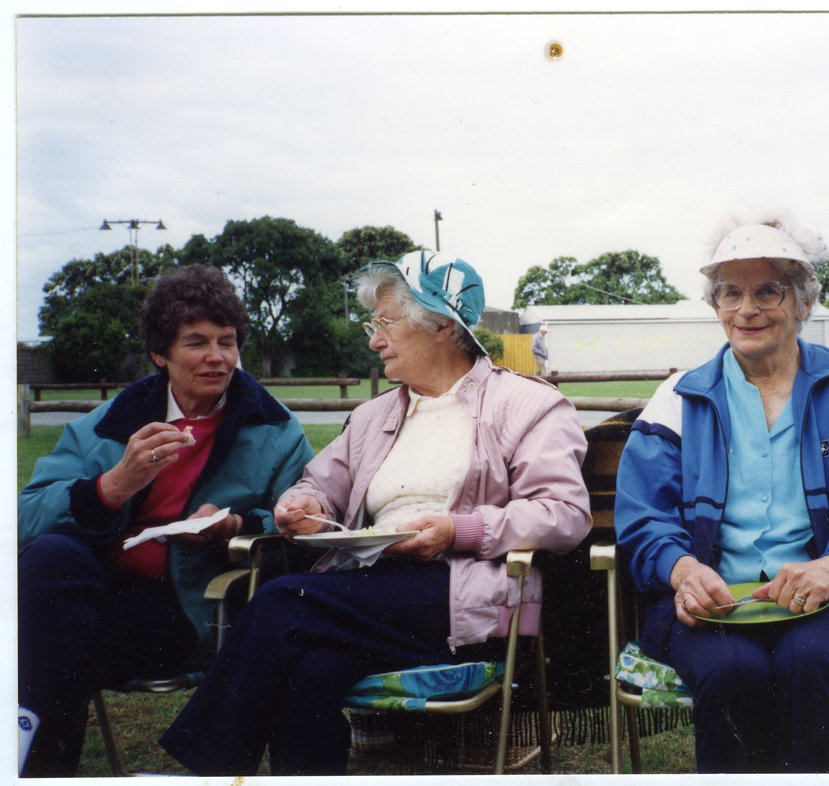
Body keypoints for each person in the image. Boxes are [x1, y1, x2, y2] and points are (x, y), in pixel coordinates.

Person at [160, 250, 592, 776]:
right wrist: (306, 505)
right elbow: (318, 482)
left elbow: (564, 513)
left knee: (279, 603)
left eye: (385, 324)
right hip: (369, 592)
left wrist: (456, 529)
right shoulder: (375, 415)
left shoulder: (527, 405)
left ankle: (203, 771)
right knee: (309, 668)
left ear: (440, 326)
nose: (373, 340)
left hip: (464, 597)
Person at [614, 212, 829, 773]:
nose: (746, 309)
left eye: (768, 290)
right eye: (730, 292)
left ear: (804, 302)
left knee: (815, 659)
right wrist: (681, 569)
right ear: (715, 305)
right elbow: (642, 516)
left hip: (827, 603)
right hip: (712, 604)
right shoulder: (678, 399)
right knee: (732, 668)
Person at [17, 265, 315, 777]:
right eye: (197, 342)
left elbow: (302, 521)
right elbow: (23, 520)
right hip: (94, 597)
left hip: (198, 610)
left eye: (227, 342)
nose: (217, 357)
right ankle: (39, 768)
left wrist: (235, 525)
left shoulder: (276, 431)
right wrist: (113, 487)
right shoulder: (108, 424)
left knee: (48, 638)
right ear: (160, 354)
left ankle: (35, 759)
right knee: (49, 560)